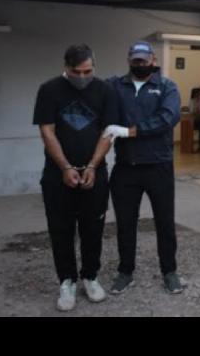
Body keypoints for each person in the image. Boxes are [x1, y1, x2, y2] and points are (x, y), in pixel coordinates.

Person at [33, 44, 118, 312]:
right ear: (66, 67)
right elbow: (47, 132)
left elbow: (108, 131)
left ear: (95, 66)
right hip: (57, 175)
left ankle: (90, 277)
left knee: (93, 228)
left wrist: (92, 166)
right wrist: (66, 167)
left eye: (88, 71)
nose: (82, 77)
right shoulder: (49, 90)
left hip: (95, 173)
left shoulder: (105, 90)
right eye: (76, 72)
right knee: (61, 229)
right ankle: (66, 281)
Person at [102, 41, 184, 295]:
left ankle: (169, 272)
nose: (140, 65)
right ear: (129, 60)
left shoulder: (167, 87)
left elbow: (168, 118)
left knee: (165, 222)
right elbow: (90, 91)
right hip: (126, 167)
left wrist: (129, 131)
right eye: (135, 61)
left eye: (144, 60)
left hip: (158, 165)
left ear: (153, 60)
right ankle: (125, 272)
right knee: (126, 223)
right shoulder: (115, 85)